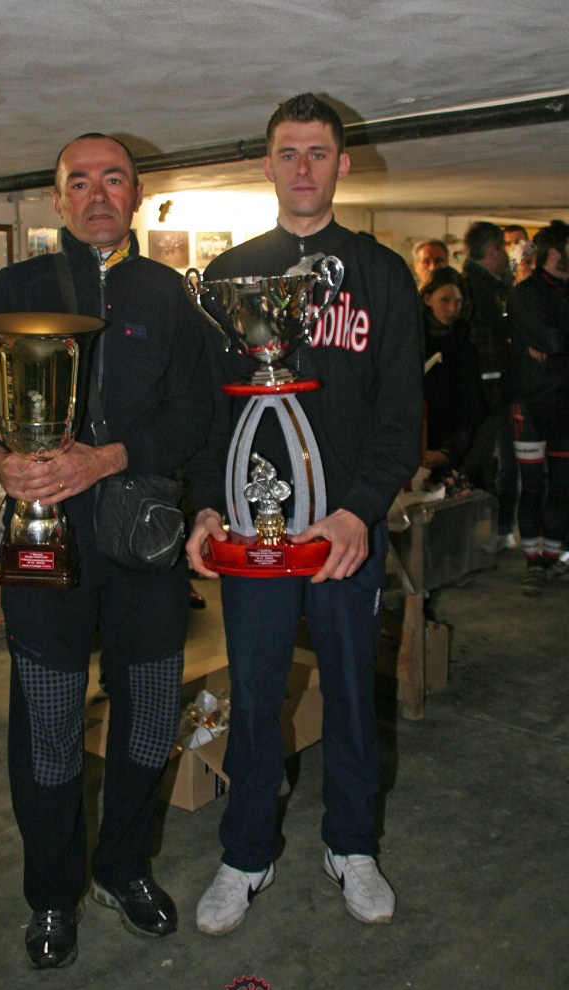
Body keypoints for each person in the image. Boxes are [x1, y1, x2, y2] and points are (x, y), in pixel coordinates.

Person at [0, 134, 213, 968]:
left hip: (140, 540)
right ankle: (53, 895)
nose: (98, 194)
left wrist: (110, 457)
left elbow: (197, 414)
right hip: (42, 546)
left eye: (114, 180)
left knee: (151, 715)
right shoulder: (13, 287)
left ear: (136, 196)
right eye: (79, 181)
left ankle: (123, 867)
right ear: (57, 199)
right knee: (51, 727)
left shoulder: (170, 294)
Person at [186, 93, 422, 934]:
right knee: (252, 695)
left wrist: (361, 511)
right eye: (288, 153)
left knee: (355, 693)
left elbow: (403, 412)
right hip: (253, 530)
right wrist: (206, 505)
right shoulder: (228, 275)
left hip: (344, 535)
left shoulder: (382, 274)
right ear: (267, 164)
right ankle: (247, 852)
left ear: (342, 164)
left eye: (318, 153)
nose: (303, 169)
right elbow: (211, 411)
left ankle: (351, 845)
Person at [505, 220, 569, 595]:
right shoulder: (525, 293)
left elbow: (554, 340)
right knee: (531, 486)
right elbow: (550, 338)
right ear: (555, 252)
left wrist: (554, 344)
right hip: (528, 403)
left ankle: (550, 558)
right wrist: (552, 342)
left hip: (563, 402)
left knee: (562, 486)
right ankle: (532, 562)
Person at [461, 221, 517, 549]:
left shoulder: (475, 285)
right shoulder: (481, 290)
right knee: (486, 462)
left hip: (481, 393)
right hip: (487, 395)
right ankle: (487, 534)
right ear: (493, 250)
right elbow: (486, 347)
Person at [420, 266, 488, 485]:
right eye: (445, 300)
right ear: (427, 298)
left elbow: (471, 405)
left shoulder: (463, 344)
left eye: (458, 301)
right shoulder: (412, 339)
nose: (452, 309)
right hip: (417, 442)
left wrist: (448, 452)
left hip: (452, 446)